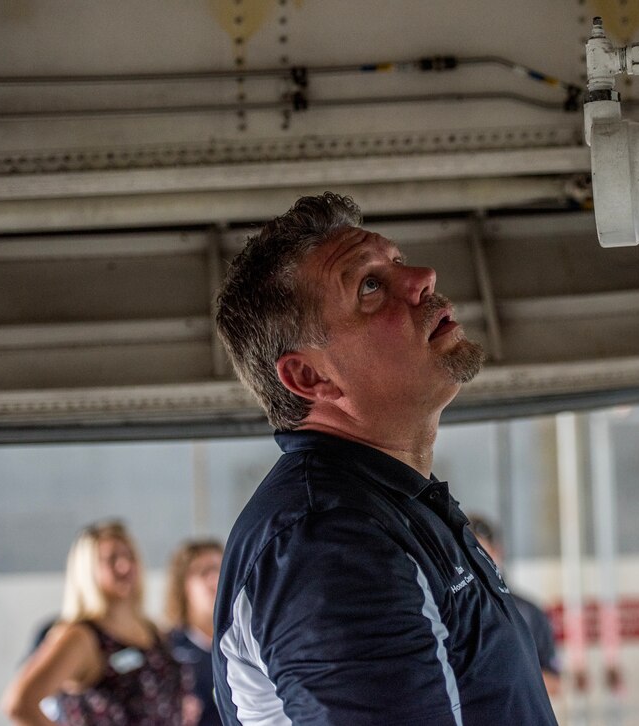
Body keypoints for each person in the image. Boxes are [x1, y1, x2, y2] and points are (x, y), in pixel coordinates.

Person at [211, 192, 557, 725]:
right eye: (370, 286)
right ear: (311, 377)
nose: (423, 276)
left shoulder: (392, 504)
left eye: (396, 263)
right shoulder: (327, 540)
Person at [1, 520, 187, 726]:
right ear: (86, 570)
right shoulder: (81, 637)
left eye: (129, 556)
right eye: (111, 559)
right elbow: (19, 705)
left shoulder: (153, 631)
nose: (124, 565)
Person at [466, 514, 562, 695]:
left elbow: (553, 680)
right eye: (464, 556)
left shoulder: (527, 612)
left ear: (496, 553)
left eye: (478, 554)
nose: (471, 565)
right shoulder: (448, 612)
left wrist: (500, 677)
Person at [165, 539, 224, 726]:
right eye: (204, 571)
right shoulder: (165, 648)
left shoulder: (250, 642)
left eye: (220, 570)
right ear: (183, 584)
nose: (214, 580)